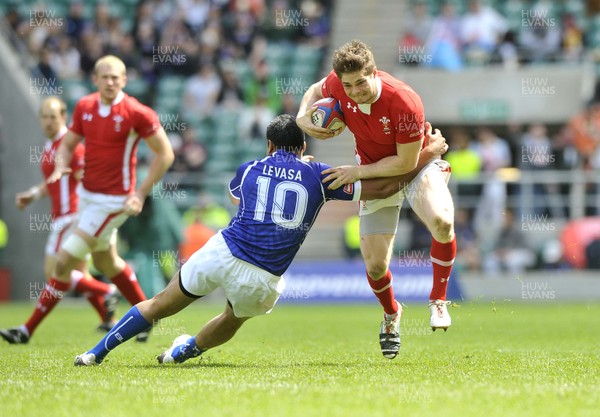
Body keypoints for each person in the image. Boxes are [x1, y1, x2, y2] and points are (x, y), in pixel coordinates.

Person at [73, 114, 447, 366]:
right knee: (233, 318)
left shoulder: (249, 167)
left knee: (157, 305)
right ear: (302, 147)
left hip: (223, 251)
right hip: (264, 276)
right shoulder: (320, 175)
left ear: (270, 145)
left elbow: (240, 197)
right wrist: (424, 156)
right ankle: (183, 352)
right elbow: (381, 187)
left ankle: (93, 355)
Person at [296, 40, 456, 359]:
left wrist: (356, 172)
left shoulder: (405, 102)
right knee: (375, 264)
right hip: (374, 173)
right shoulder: (338, 85)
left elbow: (405, 164)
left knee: (442, 221)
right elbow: (315, 89)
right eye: (348, 86)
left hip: (417, 164)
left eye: (360, 83)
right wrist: (302, 119)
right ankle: (391, 314)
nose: (354, 92)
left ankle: (438, 299)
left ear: (374, 72)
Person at [5, 56, 173, 346]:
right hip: (87, 198)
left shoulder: (136, 112)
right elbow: (67, 145)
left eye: (116, 77)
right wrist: (59, 167)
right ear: (94, 79)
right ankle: (147, 313)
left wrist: (140, 193)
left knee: (62, 264)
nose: (110, 82)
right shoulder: (85, 107)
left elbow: (166, 154)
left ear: (124, 80)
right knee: (106, 261)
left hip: (114, 201)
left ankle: (26, 330)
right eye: (104, 76)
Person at [0, 97, 118, 344]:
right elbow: (55, 180)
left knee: (54, 274)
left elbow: (85, 175)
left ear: (64, 117)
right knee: (78, 273)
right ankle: (109, 320)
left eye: (53, 116)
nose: (48, 121)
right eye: (44, 116)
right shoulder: (51, 145)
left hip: (70, 217)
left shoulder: (70, 145)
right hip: (65, 217)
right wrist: (33, 194)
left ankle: (105, 290)